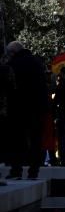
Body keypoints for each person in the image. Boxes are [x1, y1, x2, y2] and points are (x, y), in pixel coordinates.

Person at [3, 42, 47, 179]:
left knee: (17, 139)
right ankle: (33, 171)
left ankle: (16, 170)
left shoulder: (14, 64)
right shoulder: (38, 62)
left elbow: (9, 86)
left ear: (13, 52)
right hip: (37, 107)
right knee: (36, 140)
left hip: (18, 107)